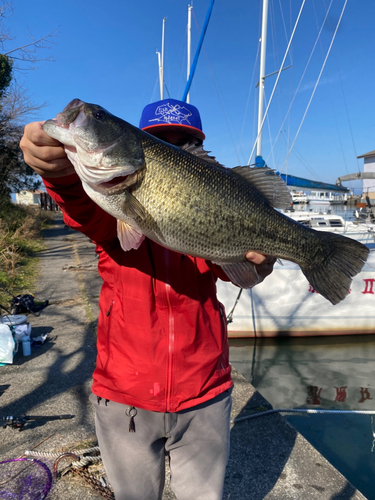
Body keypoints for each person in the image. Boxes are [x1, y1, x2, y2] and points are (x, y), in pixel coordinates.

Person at [20, 98, 276, 500]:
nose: (174, 148)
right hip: (124, 397)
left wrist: (261, 264)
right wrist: (58, 172)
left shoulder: (212, 200)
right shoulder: (110, 210)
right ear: (140, 147)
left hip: (205, 393)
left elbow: (241, 271)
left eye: (184, 143)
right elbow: (81, 205)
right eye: (160, 142)